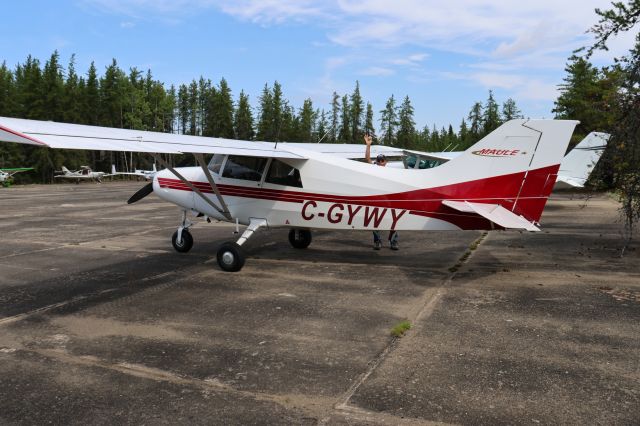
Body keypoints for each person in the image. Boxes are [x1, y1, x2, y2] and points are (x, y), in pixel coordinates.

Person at [364, 134, 399, 251]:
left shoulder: (391, 172)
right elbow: (367, 159)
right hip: (377, 200)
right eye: (378, 160)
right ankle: (377, 241)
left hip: (389, 200)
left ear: (386, 162)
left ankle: (393, 241)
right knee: (375, 221)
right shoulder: (374, 167)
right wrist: (368, 145)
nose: (380, 162)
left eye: (382, 160)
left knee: (394, 221)